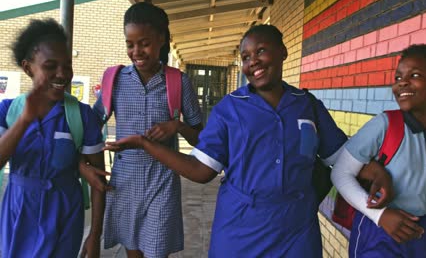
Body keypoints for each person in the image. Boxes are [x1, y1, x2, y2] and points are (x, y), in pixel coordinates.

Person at [104, 24, 392, 257]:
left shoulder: (308, 105)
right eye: (245, 57)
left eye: (262, 51)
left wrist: (375, 172)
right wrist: (146, 144)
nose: (252, 61)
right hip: (240, 230)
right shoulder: (229, 109)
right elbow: (202, 171)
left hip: (297, 231)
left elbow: (340, 156)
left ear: (283, 52)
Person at [91, 2, 203, 258]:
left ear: (161, 39)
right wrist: (83, 163)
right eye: (130, 44)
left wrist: (177, 125)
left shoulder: (178, 81)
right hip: (124, 183)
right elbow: (91, 124)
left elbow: (200, 138)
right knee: (133, 252)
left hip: (161, 182)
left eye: (144, 43)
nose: (136, 51)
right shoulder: (115, 80)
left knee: (156, 251)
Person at [331, 44, 426, 257]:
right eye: (398, 77)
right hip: (380, 231)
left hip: (424, 235)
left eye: (415, 75)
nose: (402, 82)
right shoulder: (385, 124)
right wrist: (380, 216)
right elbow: (340, 173)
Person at [0, 18, 106, 257]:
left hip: (64, 214)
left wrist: (94, 235)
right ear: (29, 68)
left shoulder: (81, 115)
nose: (62, 74)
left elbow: (98, 182)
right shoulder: (8, 111)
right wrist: (26, 119)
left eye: (67, 65)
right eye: (50, 66)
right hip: (20, 212)